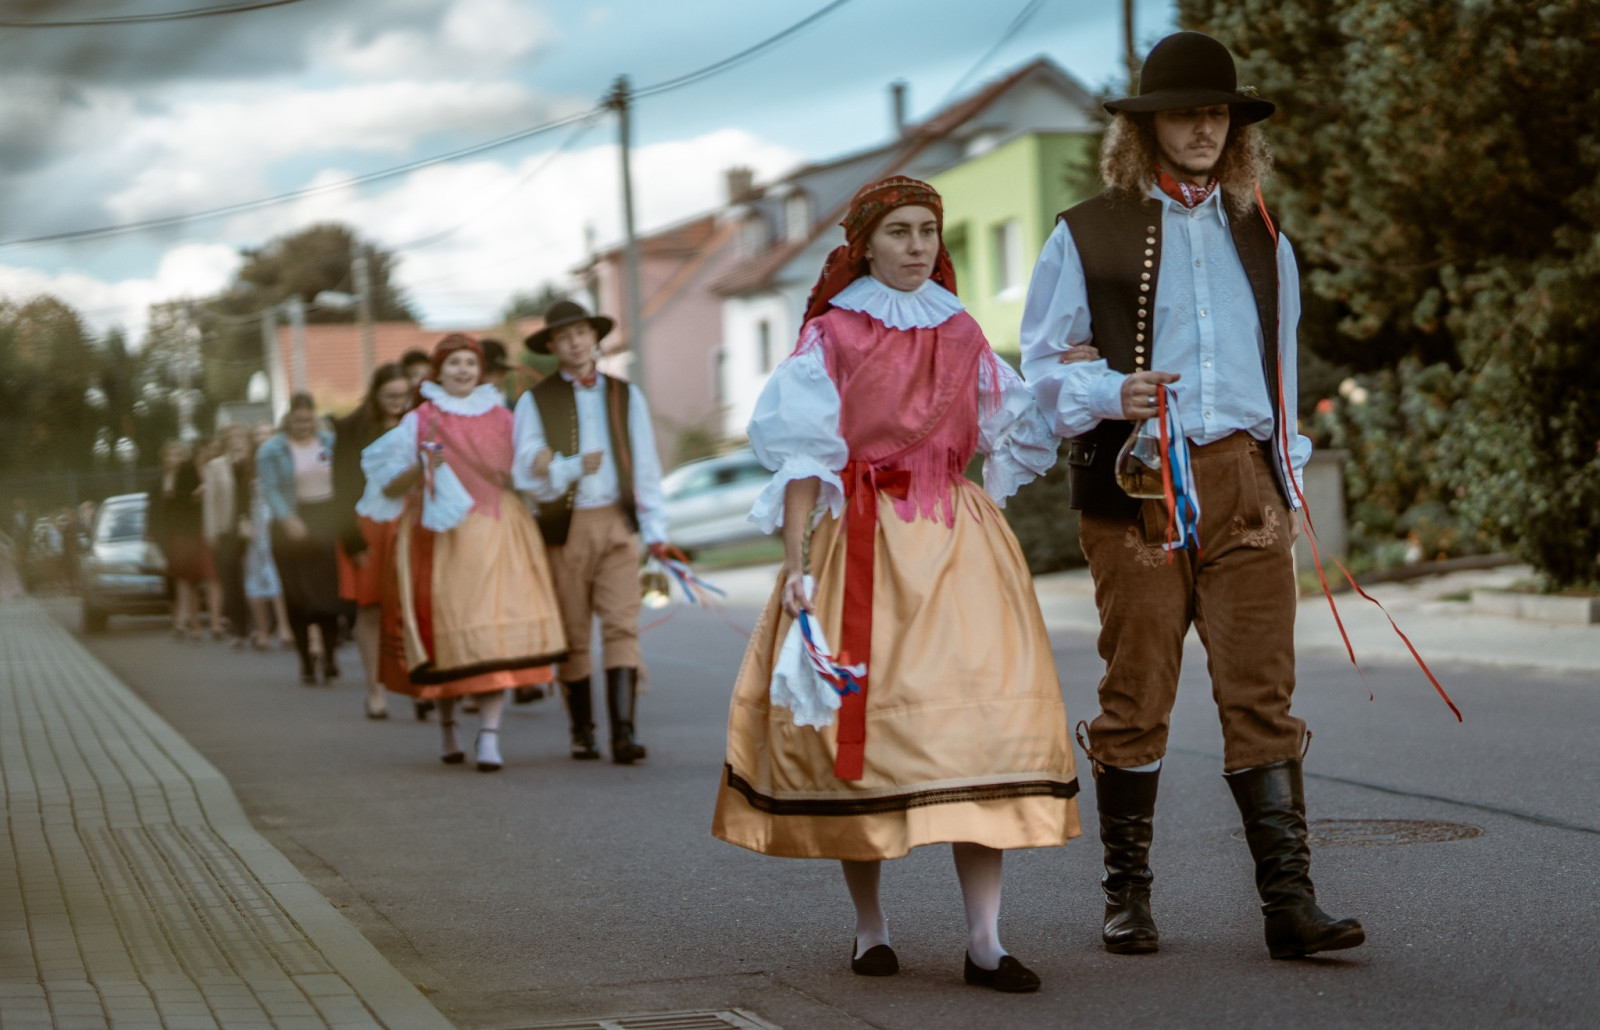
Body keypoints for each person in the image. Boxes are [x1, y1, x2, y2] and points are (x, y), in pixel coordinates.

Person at [1020, 31, 1364, 962]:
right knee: (1137, 695)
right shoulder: (1084, 231)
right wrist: (1104, 392)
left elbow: (1282, 371)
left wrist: (1284, 485)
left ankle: (1289, 905)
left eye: (1216, 113)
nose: (1204, 128)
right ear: (1148, 128)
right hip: (1139, 487)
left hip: (1246, 485)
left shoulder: (1264, 234)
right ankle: (1127, 896)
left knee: (1263, 695)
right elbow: (1040, 370)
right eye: (1185, 113)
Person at [710, 177, 1080, 992]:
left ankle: (985, 941)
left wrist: (1071, 380)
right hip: (862, 540)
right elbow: (804, 455)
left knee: (978, 732)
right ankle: (870, 928)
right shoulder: (832, 335)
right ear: (867, 245)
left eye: (927, 232)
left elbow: (1017, 422)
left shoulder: (963, 329)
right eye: (901, 232)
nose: (917, 246)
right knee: (870, 740)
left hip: (959, 544)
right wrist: (799, 563)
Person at [360, 334, 566, 771]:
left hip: (497, 529)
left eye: (469, 363)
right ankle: (449, 728)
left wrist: (547, 462)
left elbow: (524, 470)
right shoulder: (421, 418)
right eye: (453, 363)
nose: (462, 371)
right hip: (439, 537)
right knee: (449, 636)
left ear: (479, 370)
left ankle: (489, 736)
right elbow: (387, 483)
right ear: (438, 370)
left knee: (492, 633)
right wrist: (422, 467)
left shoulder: (503, 416)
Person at [512, 300, 668, 764]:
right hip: (566, 525)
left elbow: (645, 465)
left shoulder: (625, 394)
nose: (575, 342)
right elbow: (524, 471)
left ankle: (624, 733)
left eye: (581, 332)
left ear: (594, 337)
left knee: (623, 625)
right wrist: (568, 469)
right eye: (564, 337)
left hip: (616, 521)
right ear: (554, 347)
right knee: (575, 631)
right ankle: (582, 730)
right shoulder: (535, 400)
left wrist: (654, 530)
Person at [333, 363, 412, 720]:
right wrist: (352, 541)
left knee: (412, 606)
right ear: (375, 394)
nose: (398, 402)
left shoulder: (418, 421)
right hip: (368, 525)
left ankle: (418, 683)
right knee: (371, 608)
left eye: (404, 395)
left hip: (412, 520)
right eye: (390, 396)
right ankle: (375, 690)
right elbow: (342, 485)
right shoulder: (351, 428)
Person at [257, 394, 345, 685]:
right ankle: (306, 660)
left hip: (325, 519)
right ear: (288, 419)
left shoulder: (329, 443)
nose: (303, 426)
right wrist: (287, 518)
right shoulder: (272, 450)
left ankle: (330, 657)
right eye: (297, 420)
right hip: (290, 521)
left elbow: (343, 476)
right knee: (298, 597)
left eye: (308, 420)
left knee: (328, 594)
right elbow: (270, 489)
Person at [146, 440, 208, 639]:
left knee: (186, 576)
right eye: (168, 455)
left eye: (176, 454)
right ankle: (178, 617)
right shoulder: (157, 481)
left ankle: (186, 620)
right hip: (165, 534)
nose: (172, 459)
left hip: (186, 533)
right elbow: (152, 510)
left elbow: (197, 505)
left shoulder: (190, 477)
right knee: (172, 577)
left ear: (183, 457)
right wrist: (150, 535)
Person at [203, 424, 255, 649]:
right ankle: (239, 629)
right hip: (227, 529)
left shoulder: (254, 463)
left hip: (254, 528)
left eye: (240, 436)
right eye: (231, 437)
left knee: (255, 578)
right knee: (231, 580)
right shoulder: (216, 466)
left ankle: (259, 626)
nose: (236, 441)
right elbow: (210, 501)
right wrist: (211, 531)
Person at [244, 421, 294, 650]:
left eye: (266, 432)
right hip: (255, 522)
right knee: (255, 576)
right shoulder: (248, 466)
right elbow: (240, 498)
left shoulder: (283, 458)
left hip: (279, 519)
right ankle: (262, 630)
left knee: (278, 574)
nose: (262, 437)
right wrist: (242, 521)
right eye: (258, 433)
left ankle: (285, 627)